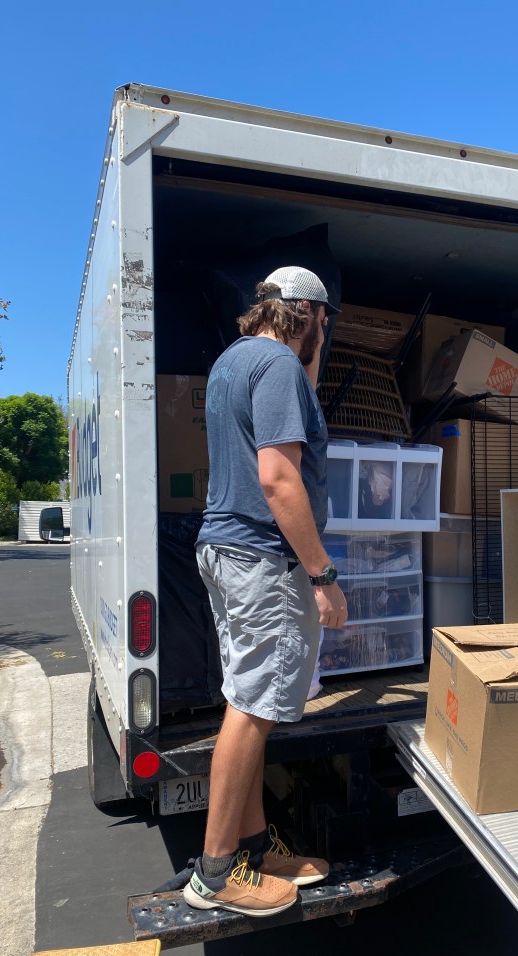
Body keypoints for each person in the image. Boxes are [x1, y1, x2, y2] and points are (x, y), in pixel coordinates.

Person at [184, 266, 348, 917]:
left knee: (245, 701)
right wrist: (322, 576)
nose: (325, 332)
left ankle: (252, 848)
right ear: (308, 314)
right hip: (264, 559)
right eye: (324, 321)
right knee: (253, 709)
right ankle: (216, 872)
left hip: (226, 550)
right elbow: (279, 479)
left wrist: (308, 352)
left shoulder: (237, 361)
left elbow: (291, 413)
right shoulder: (278, 366)